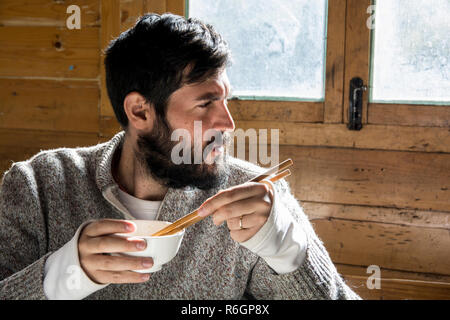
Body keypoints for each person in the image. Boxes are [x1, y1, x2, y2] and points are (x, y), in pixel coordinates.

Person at [0, 13, 360, 300]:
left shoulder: (254, 195)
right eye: (206, 103)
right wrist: (58, 277)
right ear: (140, 112)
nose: (228, 123)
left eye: (226, 100)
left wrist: (289, 251)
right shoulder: (38, 185)